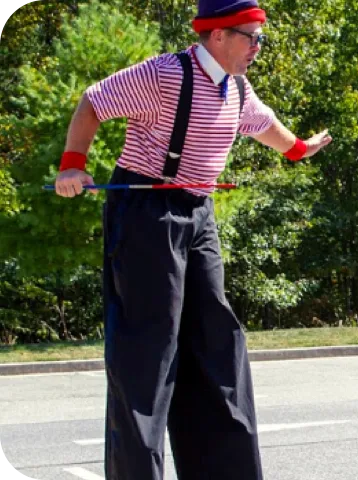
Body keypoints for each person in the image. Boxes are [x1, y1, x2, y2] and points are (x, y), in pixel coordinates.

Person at [53, 1, 331, 478]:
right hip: (146, 212)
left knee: (217, 342)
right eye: (251, 37)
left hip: (199, 215)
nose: (258, 48)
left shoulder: (236, 89)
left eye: (260, 38)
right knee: (149, 351)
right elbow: (94, 100)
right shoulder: (165, 75)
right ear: (217, 35)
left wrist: (301, 149)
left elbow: (266, 127)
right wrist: (72, 164)